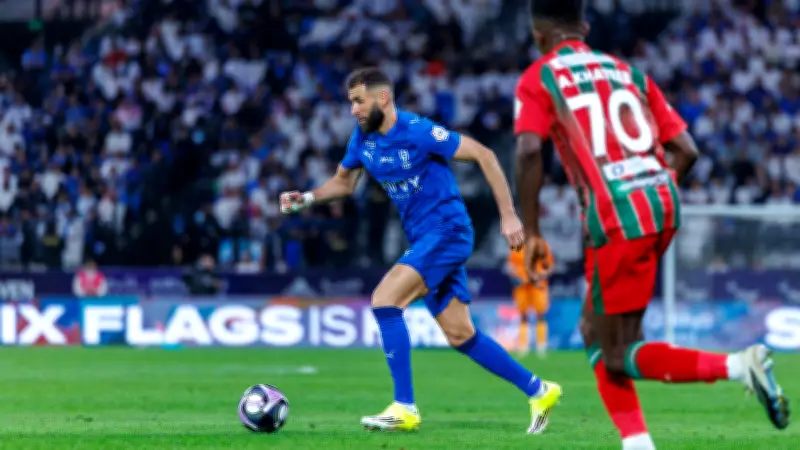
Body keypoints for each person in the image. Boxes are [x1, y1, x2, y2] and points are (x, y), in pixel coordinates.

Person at [514, 1, 789, 449]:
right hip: (661, 205)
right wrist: (650, 189)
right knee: (603, 335)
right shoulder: (628, 73)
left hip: (616, 217)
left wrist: (531, 231)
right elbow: (687, 150)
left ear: (538, 35)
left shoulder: (540, 77)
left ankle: (739, 366)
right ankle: (638, 441)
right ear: (584, 27)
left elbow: (529, 150)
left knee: (613, 351)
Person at [280, 67, 562, 434]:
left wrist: (509, 216)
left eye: (359, 101)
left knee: (385, 301)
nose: (353, 110)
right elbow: (343, 184)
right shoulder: (362, 138)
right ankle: (539, 390)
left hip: (448, 231)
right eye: (351, 102)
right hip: (424, 240)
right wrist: (306, 198)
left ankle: (404, 407)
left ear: (383, 98)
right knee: (460, 334)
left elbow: (485, 155)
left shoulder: (419, 131)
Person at [504, 240, 553, 357]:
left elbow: (549, 266)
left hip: (538, 285)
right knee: (523, 315)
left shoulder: (542, 246)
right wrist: (516, 275)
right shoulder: (516, 248)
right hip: (522, 286)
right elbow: (510, 266)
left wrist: (540, 276)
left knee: (540, 314)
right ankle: (523, 346)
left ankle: (541, 346)